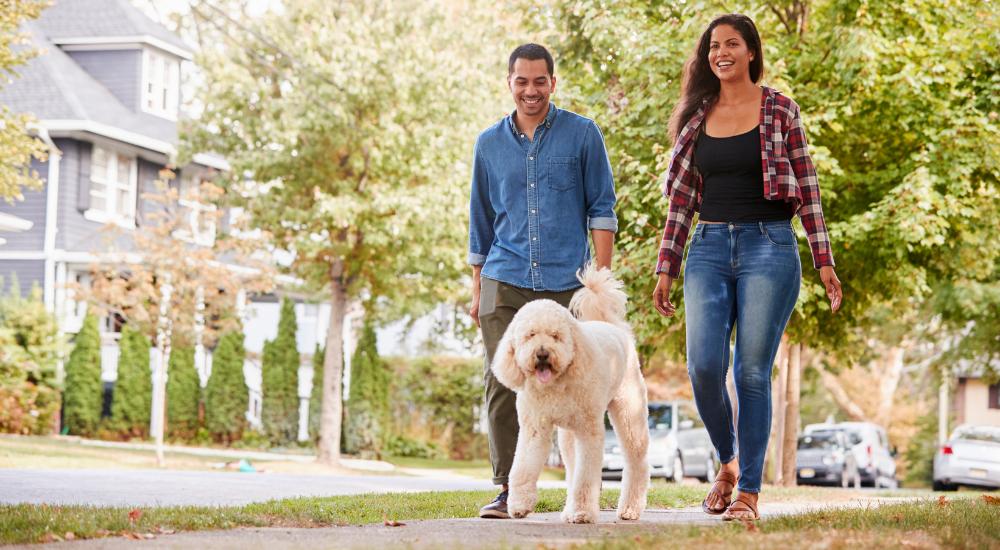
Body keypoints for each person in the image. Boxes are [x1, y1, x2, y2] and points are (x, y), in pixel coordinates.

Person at [651, 14, 843, 521]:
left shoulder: (781, 109)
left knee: (751, 372)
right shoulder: (697, 116)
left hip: (769, 247)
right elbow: (681, 202)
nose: (722, 53)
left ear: (751, 52)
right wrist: (665, 265)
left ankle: (749, 493)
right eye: (714, 46)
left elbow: (808, 188)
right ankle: (729, 462)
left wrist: (824, 261)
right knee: (703, 367)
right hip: (708, 248)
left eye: (732, 44)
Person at [468, 43, 618, 519]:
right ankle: (508, 489)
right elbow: (480, 221)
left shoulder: (582, 135)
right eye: (521, 81)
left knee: (578, 382)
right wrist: (476, 290)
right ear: (509, 83)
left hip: (565, 283)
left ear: (553, 83)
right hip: (503, 276)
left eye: (539, 81)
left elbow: (602, 209)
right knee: (502, 383)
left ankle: (581, 489)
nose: (530, 90)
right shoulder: (488, 144)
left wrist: (600, 279)